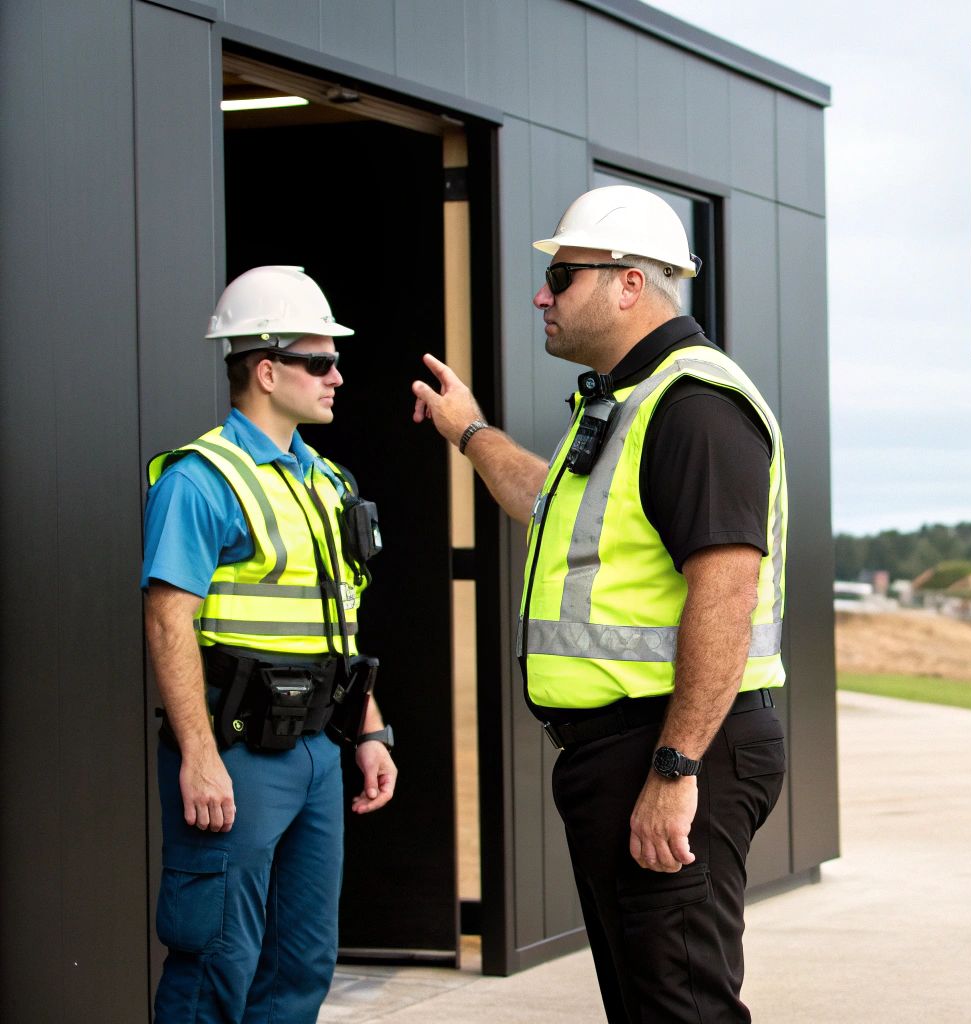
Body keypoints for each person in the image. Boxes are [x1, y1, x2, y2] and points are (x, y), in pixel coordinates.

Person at [411, 185, 788, 1022]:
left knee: (681, 1006)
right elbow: (546, 499)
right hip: (625, 750)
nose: (543, 295)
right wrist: (470, 431)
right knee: (649, 1002)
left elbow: (727, 593)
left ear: (628, 283)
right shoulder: (627, 402)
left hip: (676, 744)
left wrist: (676, 766)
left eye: (565, 275)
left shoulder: (692, 406)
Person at [143, 266, 399, 1021]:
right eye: (320, 362)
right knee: (214, 959)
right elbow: (167, 622)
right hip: (235, 753)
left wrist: (371, 730)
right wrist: (197, 756)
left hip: (318, 753)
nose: (337, 377)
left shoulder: (330, 484)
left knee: (301, 963)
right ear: (265, 369)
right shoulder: (200, 480)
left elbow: (338, 629)